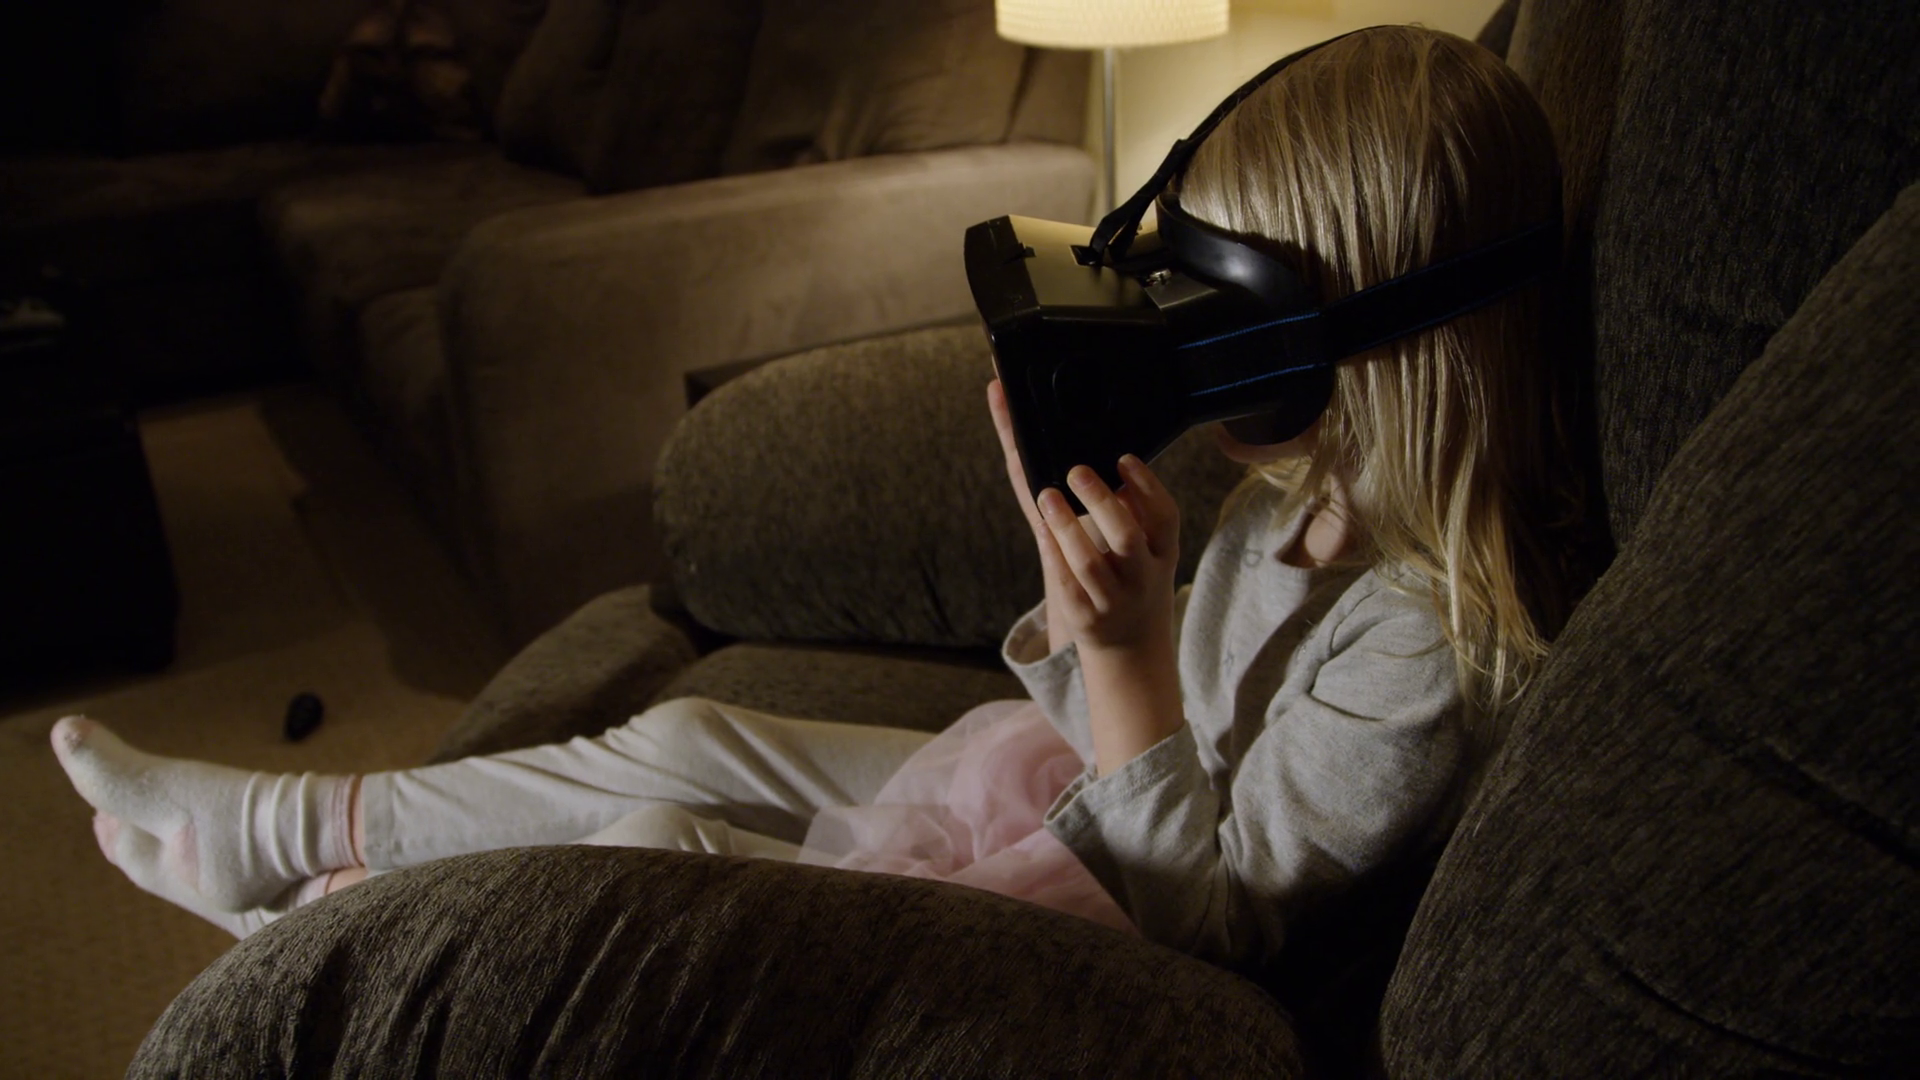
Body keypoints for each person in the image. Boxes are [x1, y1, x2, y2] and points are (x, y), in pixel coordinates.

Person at [50, 26, 1588, 966]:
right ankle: (280, 824)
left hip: (1123, 924)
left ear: (1362, 340)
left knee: (665, 837)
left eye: (1212, 300)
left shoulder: (1430, 646)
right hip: (1081, 800)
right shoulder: (1289, 495)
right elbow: (1128, 718)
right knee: (691, 738)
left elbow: (1220, 921)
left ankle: (330, 943)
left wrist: (1126, 656)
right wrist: (1077, 603)